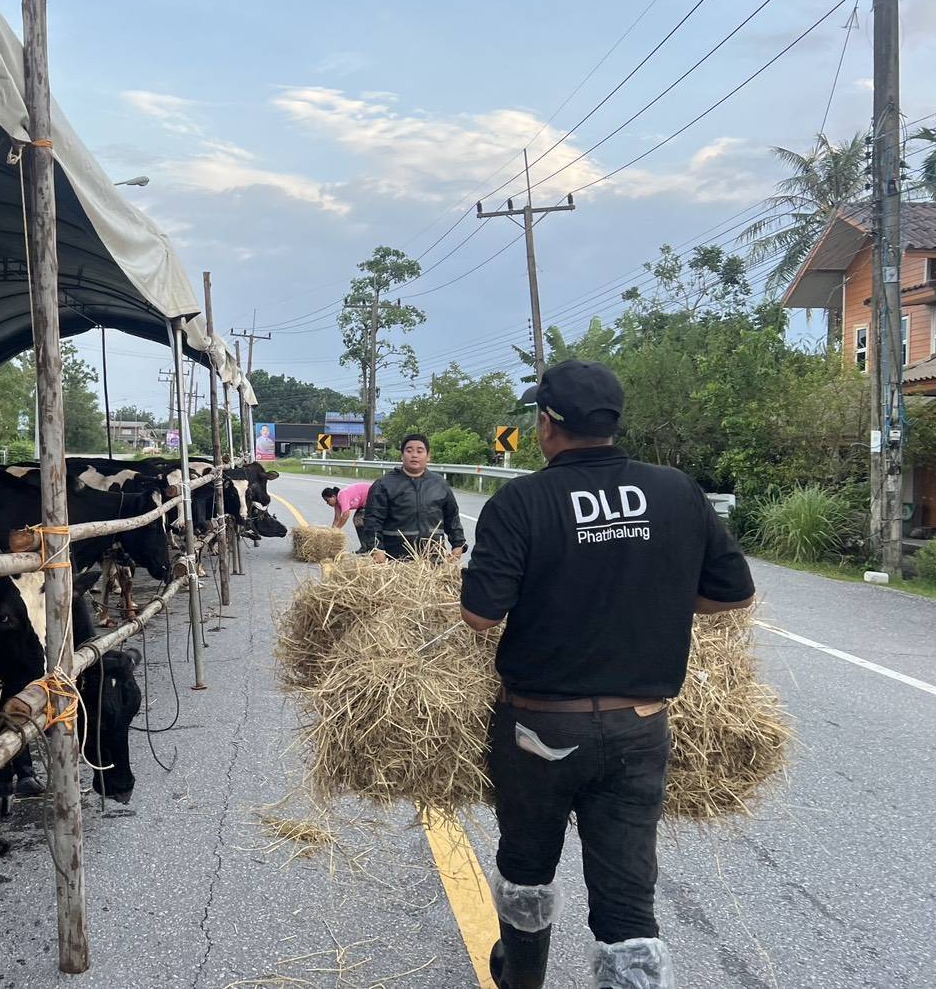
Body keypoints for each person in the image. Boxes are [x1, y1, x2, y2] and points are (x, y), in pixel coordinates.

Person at [458, 360, 755, 989]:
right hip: (638, 728)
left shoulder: (520, 501)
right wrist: (660, 593)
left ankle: (521, 979)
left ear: (545, 425)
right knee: (626, 900)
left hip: (540, 729)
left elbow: (480, 617)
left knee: (528, 868)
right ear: (615, 422)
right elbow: (733, 594)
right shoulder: (676, 491)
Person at [363, 434, 466, 562]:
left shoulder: (439, 484)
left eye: (420, 451)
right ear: (402, 455)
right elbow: (373, 519)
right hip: (396, 559)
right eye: (409, 450)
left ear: (428, 456)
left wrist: (458, 543)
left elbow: (452, 517)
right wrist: (376, 548)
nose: (414, 455)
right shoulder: (384, 485)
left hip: (433, 559)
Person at [322, 482, 375, 553]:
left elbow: (346, 515)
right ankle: (365, 547)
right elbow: (337, 519)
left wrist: (337, 529)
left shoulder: (341, 495)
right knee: (357, 520)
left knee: (360, 520)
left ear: (333, 496)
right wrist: (332, 534)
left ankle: (372, 547)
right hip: (364, 502)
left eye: (327, 500)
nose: (327, 503)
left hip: (373, 495)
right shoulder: (337, 504)